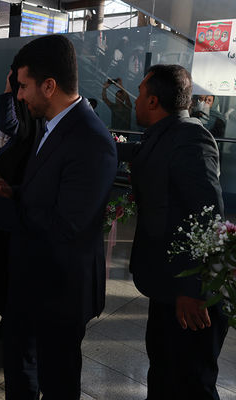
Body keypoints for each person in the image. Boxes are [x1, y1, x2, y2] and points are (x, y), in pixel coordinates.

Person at [0, 35, 117, 399]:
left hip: (61, 289)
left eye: (24, 86)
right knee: (19, 365)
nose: (18, 95)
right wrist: (13, 192)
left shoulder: (91, 141)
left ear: (49, 85)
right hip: (30, 279)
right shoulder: (52, 125)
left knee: (57, 379)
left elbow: (66, 225)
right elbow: (47, 193)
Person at [117, 64, 228, 400]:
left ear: (153, 101)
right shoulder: (165, 133)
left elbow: (208, 213)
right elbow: (142, 156)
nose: (134, 100)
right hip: (168, 284)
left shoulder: (190, 137)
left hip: (190, 294)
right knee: (165, 371)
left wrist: (192, 290)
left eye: (138, 92)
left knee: (191, 382)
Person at [0, 69, 41, 340]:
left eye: (21, 88)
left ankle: (13, 325)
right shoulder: (3, 133)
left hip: (9, 214)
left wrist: (7, 91)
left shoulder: (23, 129)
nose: (19, 93)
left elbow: (8, 119)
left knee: (7, 270)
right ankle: (5, 319)